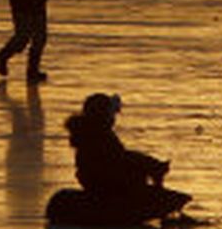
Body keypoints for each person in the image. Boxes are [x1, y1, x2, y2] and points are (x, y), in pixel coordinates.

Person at [61, 93, 189, 222]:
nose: (114, 117)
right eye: (111, 113)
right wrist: (149, 166)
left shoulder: (91, 133)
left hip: (101, 185)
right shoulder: (99, 136)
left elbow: (120, 158)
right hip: (109, 188)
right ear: (104, 115)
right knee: (170, 199)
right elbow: (119, 161)